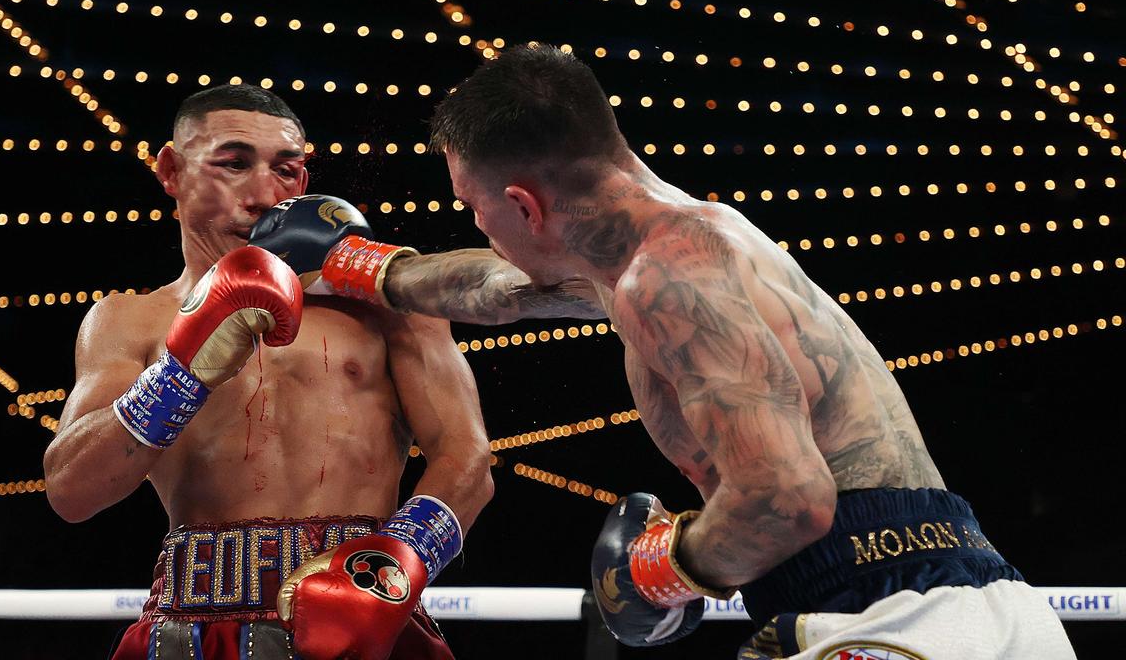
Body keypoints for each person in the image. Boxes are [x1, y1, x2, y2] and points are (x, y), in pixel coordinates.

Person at [302, 45, 1074, 658]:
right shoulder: (667, 246)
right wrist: (357, 265)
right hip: (952, 603)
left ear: (525, 205)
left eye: (474, 208)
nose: (478, 227)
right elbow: (498, 289)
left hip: (897, 615)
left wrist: (655, 572)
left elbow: (787, 499)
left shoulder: (665, 276)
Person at [42, 85, 493, 660]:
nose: (263, 195)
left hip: (364, 615)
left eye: (286, 170)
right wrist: (183, 373)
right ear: (171, 170)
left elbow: (469, 462)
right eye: (233, 164)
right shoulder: (128, 320)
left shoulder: (387, 308)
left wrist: (394, 564)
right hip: (191, 628)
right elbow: (71, 491)